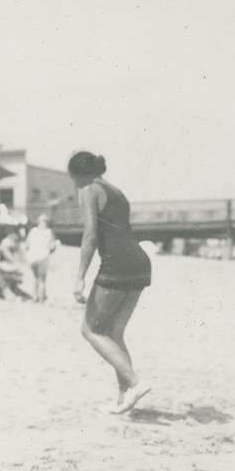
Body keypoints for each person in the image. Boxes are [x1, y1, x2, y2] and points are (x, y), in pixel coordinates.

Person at [69, 150, 152, 414]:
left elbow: (91, 235)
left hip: (116, 264)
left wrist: (80, 277)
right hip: (139, 261)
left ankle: (136, 383)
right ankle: (123, 397)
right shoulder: (116, 191)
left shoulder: (88, 189)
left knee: (90, 329)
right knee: (114, 332)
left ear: (79, 175)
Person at [27, 213, 58, 302]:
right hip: (43, 258)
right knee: (42, 280)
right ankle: (41, 300)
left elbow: (26, 245)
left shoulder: (32, 231)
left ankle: (34, 297)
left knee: (35, 278)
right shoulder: (49, 232)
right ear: (47, 223)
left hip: (32, 258)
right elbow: (53, 247)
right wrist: (48, 252)